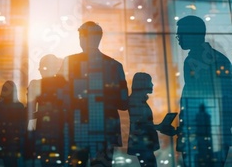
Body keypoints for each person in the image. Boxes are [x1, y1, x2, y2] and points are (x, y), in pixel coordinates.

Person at [59, 21, 128, 166]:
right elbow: (123, 103)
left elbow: (60, 98)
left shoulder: (69, 63)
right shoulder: (115, 66)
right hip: (105, 132)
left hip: (78, 130)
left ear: (83, 39)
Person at [175, 16, 232, 167]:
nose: (178, 38)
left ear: (192, 34)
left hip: (204, 137)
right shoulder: (211, 58)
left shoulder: (198, 61)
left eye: (180, 34)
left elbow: (225, 100)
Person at [127, 72, 159, 167]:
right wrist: (158, 126)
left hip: (144, 143)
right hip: (142, 143)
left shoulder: (138, 100)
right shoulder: (135, 101)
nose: (152, 84)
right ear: (143, 83)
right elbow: (140, 124)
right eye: (150, 81)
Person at [0, 81, 26, 167]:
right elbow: (22, 125)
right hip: (15, 141)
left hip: (4, 140)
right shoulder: (19, 106)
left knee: (7, 163)